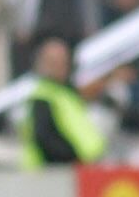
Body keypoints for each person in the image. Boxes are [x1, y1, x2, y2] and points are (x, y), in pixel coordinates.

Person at [19, 37, 114, 168]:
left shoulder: (63, 93)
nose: (61, 67)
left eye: (63, 62)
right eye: (54, 62)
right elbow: (45, 138)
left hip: (81, 172)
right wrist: (72, 159)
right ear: (43, 64)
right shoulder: (43, 96)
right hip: (56, 175)